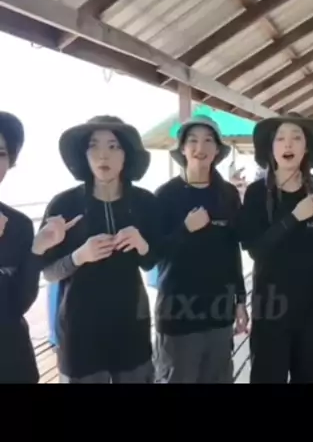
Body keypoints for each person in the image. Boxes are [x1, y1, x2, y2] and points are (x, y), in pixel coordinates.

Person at [238, 113, 313, 384]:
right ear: (271, 148)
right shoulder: (257, 193)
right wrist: (294, 217)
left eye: (296, 138)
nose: (288, 144)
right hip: (271, 303)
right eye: (280, 138)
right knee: (268, 374)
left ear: (306, 148)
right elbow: (256, 250)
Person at [40, 116, 158, 384]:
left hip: (131, 327)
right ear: (84, 154)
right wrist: (79, 256)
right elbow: (48, 271)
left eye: (113, 146)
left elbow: (151, 262)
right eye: (94, 145)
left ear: (127, 154)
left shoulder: (144, 202)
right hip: (79, 331)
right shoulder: (64, 204)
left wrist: (142, 244)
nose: (103, 155)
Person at [153, 115, 248, 384]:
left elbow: (233, 251)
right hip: (177, 315)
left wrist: (240, 301)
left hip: (219, 314)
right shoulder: (165, 195)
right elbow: (153, 255)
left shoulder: (228, 194)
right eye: (192, 141)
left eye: (208, 141)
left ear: (217, 150)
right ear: (183, 149)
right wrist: (185, 229)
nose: (200, 147)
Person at [0, 112, 77, 383]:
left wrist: (38, 249)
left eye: (1, 153)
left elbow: (19, 303)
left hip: (11, 356)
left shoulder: (19, 224)